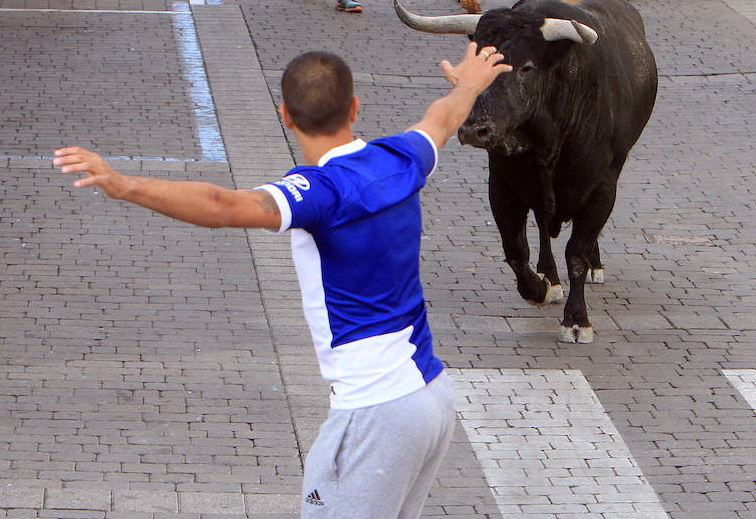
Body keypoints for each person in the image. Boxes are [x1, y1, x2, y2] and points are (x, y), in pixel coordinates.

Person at [53, 43, 510, 519]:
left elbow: (222, 206)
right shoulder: (400, 158)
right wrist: (470, 83)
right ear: (355, 107)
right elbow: (442, 117)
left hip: (375, 413)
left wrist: (123, 184)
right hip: (431, 399)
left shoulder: (322, 191)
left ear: (285, 117)